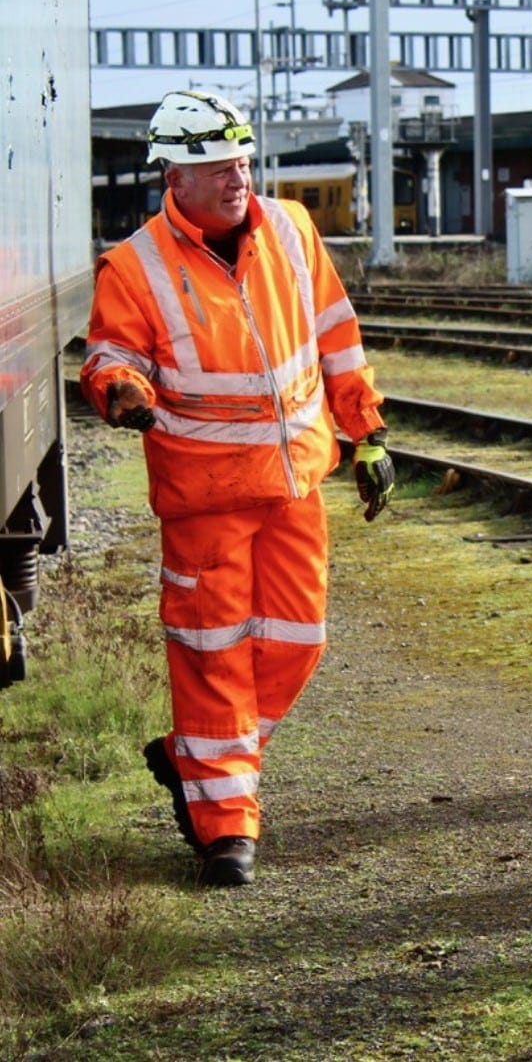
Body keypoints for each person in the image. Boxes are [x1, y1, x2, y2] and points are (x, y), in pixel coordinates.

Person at [80, 90, 393, 887]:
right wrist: (119, 389)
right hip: (205, 498)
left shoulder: (290, 231)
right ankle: (226, 830)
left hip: (293, 484)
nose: (236, 179)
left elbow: (336, 336)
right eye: (218, 166)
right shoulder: (135, 265)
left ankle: (195, 761)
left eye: (243, 162)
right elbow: (110, 356)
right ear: (174, 177)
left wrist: (368, 434)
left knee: (298, 640)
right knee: (212, 655)